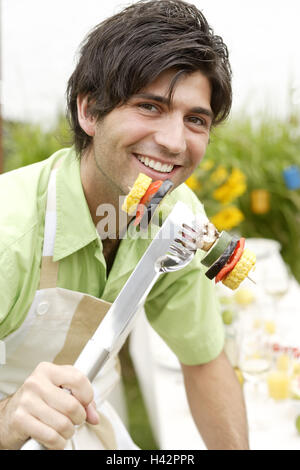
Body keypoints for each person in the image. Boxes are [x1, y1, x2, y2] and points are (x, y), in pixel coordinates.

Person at [0, 0, 249, 450]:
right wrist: (10, 417)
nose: (174, 143)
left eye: (195, 119)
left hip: (89, 420)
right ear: (90, 112)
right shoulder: (8, 233)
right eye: (150, 107)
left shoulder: (177, 219)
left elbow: (204, 360)